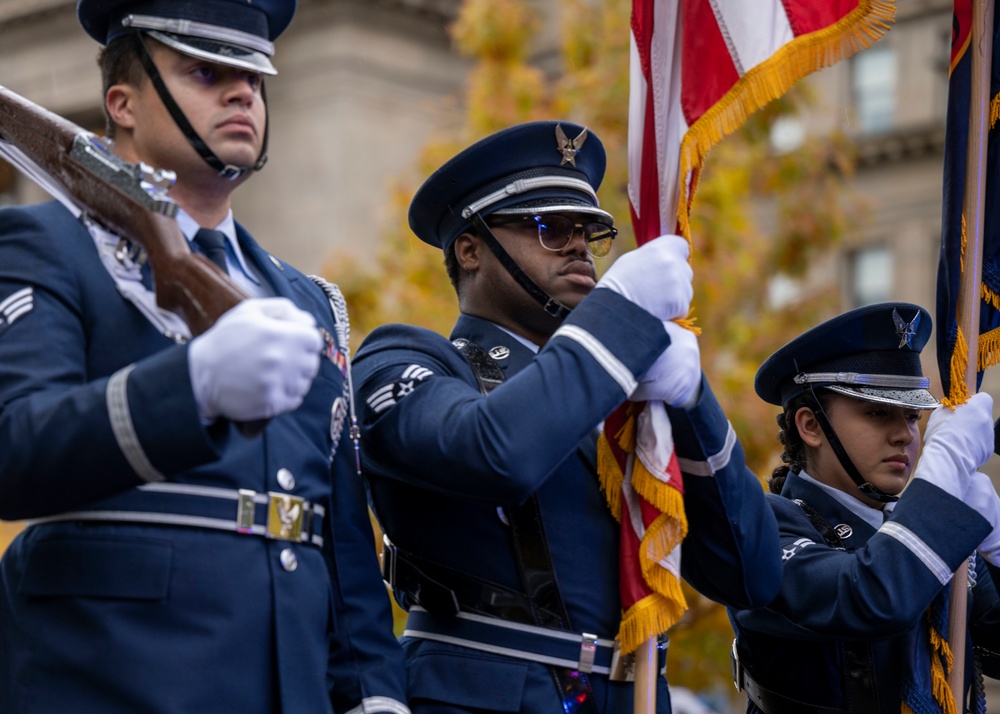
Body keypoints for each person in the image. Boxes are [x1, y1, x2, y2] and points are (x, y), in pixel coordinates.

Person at [0, 2, 408, 713]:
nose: (243, 91)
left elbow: (335, 530)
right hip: (115, 677)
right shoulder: (44, 246)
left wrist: (373, 692)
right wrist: (191, 387)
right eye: (205, 71)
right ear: (120, 104)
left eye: (253, 76)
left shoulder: (308, 301)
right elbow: (14, 449)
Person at [351, 120, 784, 713]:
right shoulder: (405, 358)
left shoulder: (619, 392)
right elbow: (494, 451)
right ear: (470, 249)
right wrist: (616, 322)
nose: (579, 245)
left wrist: (691, 401)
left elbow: (752, 575)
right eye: (550, 228)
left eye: (589, 231)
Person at [728, 302, 1000, 713]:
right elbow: (871, 595)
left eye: (912, 417)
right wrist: (940, 484)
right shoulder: (761, 526)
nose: (905, 436)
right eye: (877, 413)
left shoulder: (925, 531)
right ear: (811, 425)